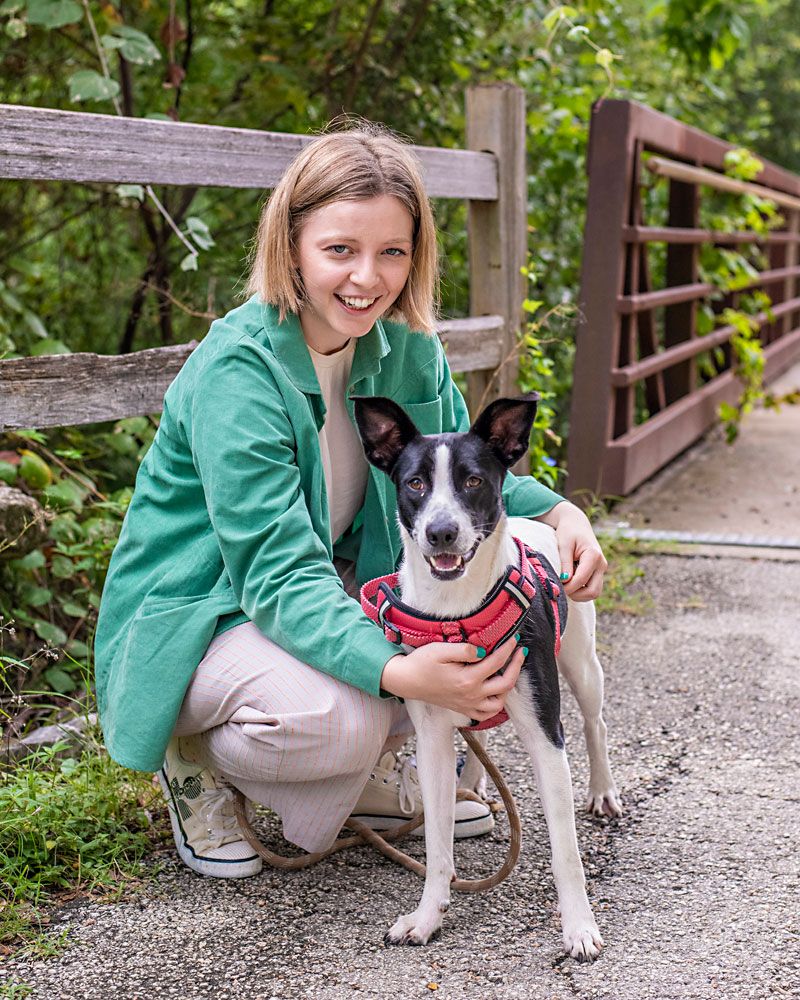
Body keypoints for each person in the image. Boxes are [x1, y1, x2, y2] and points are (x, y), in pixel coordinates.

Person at [94, 123, 607, 879]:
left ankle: (366, 777)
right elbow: (274, 574)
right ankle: (193, 756)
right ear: (291, 245)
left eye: (391, 252)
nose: (368, 277)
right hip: (203, 610)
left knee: (470, 617)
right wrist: (406, 674)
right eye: (340, 249)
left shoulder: (406, 352)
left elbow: (461, 482)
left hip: (323, 589)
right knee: (346, 716)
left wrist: (565, 516)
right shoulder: (237, 374)